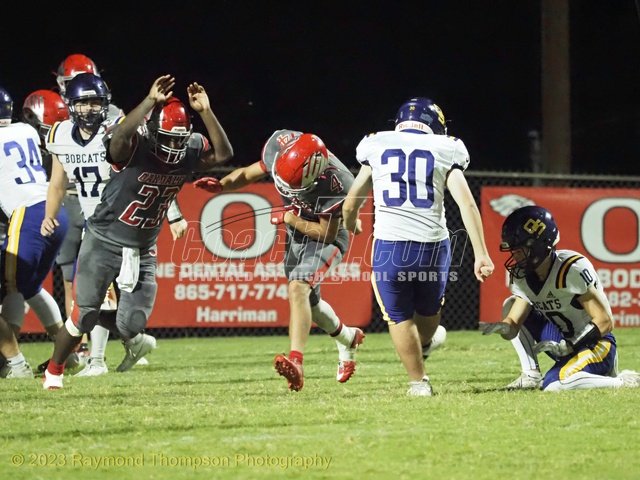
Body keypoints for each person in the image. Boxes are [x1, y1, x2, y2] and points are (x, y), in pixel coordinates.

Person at [42, 74, 233, 389]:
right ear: (151, 131)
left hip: (143, 247)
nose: (174, 146)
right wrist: (149, 101)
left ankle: (126, 342)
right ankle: (54, 371)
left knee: (132, 324)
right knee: (84, 314)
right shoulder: (135, 147)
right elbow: (118, 142)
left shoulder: (188, 150)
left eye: (180, 140)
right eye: (167, 138)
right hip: (103, 239)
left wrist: (206, 112)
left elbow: (224, 155)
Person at [342, 97, 494, 396]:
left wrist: (350, 223)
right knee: (428, 311)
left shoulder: (377, 144)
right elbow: (466, 204)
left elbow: (351, 202)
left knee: (399, 317)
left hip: (391, 247)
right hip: (433, 248)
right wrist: (481, 254)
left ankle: (418, 381)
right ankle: (423, 347)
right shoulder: (447, 147)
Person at [195, 130, 365, 391]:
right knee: (309, 303)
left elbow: (325, 233)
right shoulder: (279, 146)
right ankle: (347, 336)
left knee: (298, 286)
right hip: (297, 232)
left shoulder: (338, 182)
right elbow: (250, 173)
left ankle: (296, 361)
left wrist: (289, 218)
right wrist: (223, 185)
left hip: (327, 238)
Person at [481, 205, 640, 391]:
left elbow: (605, 321)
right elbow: (514, 323)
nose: (514, 256)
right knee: (510, 303)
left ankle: (624, 382)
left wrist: (570, 345)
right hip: (562, 341)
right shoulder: (522, 277)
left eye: (519, 250)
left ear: (538, 246)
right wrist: (503, 328)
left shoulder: (570, 269)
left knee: (555, 384)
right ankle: (530, 374)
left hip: (595, 344)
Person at [52, 53, 125, 361]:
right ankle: (84, 347)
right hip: (74, 199)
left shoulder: (114, 119)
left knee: (113, 281)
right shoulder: (59, 122)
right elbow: (56, 173)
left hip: (109, 208)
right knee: (74, 279)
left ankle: (119, 343)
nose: (87, 107)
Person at [0, 86, 69, 378]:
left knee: (10, 286)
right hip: (55, 210)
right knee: (28, 287)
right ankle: (67, 352)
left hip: (27, 215)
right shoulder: (25, 131)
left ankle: (14, 363)